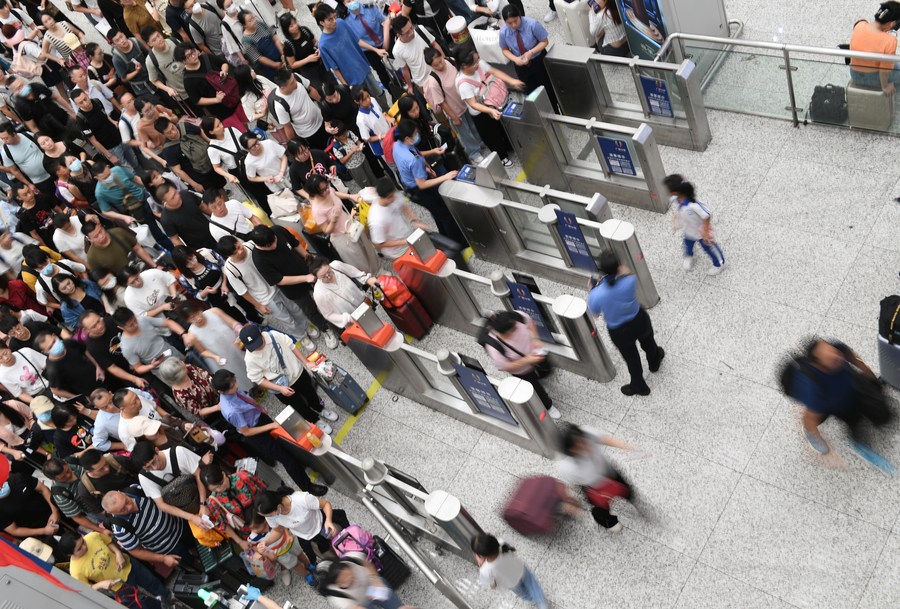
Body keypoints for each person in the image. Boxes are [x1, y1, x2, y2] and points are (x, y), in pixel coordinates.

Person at [211, 368, 329, 495]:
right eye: (231, 386)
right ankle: (308, 487)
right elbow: (246, 432)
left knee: (288, 444)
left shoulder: (233, 391)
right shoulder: (231, 410)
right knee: (287, 459)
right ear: (221, 391)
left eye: (234, 381)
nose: (236, 386)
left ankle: (303, 465)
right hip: (256, 434)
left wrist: (264, 415)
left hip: (261, 419)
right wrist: (271, 425)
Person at [786, 339, 895, 473]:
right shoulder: (814, 391)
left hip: (852, 387)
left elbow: (857, 362)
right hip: (837, 406)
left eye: (836, 353)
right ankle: (855, 441)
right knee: (853, 421)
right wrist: (818, 440)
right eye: (834, 360)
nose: (839, 358)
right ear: (820, 367)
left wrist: (874, 383)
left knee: (884, 416)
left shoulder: (839, 349)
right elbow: (809, 420)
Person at [587, 250, 663, 396]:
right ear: (618, 266)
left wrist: (592, 290)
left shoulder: (596, 294)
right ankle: (654, 362)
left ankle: (639, 386)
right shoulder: (629, 280)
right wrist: (618, 271)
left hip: (619, 330)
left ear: (602, 271)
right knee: (648, 341)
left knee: (631, 358)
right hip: (639, 319)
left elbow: (594, 315)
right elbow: (625, 272)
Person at [249, 225, 338, 347]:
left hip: (307, 269)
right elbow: (279, 280)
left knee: (327, 294)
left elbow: (295, 244)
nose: (274, 245)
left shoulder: (278, 230)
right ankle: (325, 329)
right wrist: (305, 278)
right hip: (293, 288)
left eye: (274, 240)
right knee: (310, 310)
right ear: (260, 245)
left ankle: (338, 317)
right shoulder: (258, 258)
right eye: (269, 246)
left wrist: (310, 260)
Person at [239, 324, 338, 430]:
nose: (258, 347)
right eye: (254, 346)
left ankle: (320, 409)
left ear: (261, 334)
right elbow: (258, 379)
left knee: (310, 393)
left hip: (298, 373)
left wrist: (306, 362)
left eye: (259, 343)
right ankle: (315, 420)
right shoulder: (250, 359)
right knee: (298, 406)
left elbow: (292, 346)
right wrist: (279, 389)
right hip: (282, 387)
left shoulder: (273, 335)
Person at [217, 235, 312, 338]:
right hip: (265, 297)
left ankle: (306, 326)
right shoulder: (231, 270)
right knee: (286, 319)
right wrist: (259, 306)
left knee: (295, 309)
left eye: (239, 247)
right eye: (235, 253)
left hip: (278, 285)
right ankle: (301, 336)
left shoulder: (251, 245)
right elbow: (243, 292)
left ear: (238, 241)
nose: (240, 252)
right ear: (228, 256)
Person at [392, 119, 464, 243]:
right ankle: (457, 243)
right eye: (415, 134)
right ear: (407, 138)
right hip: (418, 189)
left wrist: (428, 163)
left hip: (412, 182)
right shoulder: (411, 160)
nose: (417, 135)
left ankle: (445, 236)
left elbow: (415, 151)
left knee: (437, 211)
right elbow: (422, 184)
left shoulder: (398, 145)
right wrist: (445, 177)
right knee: (445, 214)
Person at [557, 423, 637, 532]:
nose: (584, 446)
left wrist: (624, 446)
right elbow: (573, 483)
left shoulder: (587, 432)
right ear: (570, 450)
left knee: (626, 489)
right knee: (601, 508)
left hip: (607, 472)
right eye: (578, 446)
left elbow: (604, 438)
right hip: (592, 486)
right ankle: (609, 522)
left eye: (582, 441)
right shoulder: (567, 466)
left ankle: (630, 497)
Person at [480, 311, 560, 419]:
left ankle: (540, 377)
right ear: (502, 333)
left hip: (536, 353)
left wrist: (535, 339)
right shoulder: (493, 346)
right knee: (535, 389)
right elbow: (505, 366)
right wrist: (527, 360)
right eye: (513, 330)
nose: (516, 329)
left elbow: (530, 322)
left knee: (546, 370)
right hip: (522, 371)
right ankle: (548, 406)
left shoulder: (516, 317)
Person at [456, 49, 523, 167]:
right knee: (491, 135)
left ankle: (510, 146)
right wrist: (490, 110)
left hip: (494, 102)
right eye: (474, 63)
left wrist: (512, 81)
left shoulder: (479, 64)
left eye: (478, 59)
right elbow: (473, 104)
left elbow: (494, 72)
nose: (478, 63)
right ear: (464, 66)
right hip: (481, 112)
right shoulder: (463, 84)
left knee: (502, 128)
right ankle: (502, 157)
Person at [58, 531, 170, 600]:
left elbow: (108, 542)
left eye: (83, 541)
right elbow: (86, 589)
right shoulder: (75, 570)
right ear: (70, 554)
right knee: (141, 602)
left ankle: (171, 599)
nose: (85, 547)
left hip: (129, 565)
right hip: (119, 586)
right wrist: (100, 584)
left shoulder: (92, 536)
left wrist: (118, 553)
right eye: (79, 549)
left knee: (153, 583)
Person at [255, 485, 349, 567]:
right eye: (265, 516)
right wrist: (267, 542)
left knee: (346, 544)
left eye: (269, 515)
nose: (268, 518)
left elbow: (325, 504)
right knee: (332, 558)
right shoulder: (271, 515)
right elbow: (278, 530)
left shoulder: (301, 499)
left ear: (278, 507)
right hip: (309, 539)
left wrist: (328, 520)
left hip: (323, 525)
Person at [100, 490, 196, 569]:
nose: (129, 507)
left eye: (127, 502)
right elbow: (136, 551)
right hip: (170, 548)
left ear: (122, 493)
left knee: (200, 544)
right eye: (123, 510)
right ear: (112, 513)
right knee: (192, 562)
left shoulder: (136, 490)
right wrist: (163, 558)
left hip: (181, 526)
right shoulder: (120, 529)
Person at [306, 174, 380, 274]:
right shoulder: (317, 210)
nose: (327, 190)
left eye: (327, 186)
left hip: (352, 225)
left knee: (367, 248)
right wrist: (333, 220)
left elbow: (334, 193)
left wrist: (350, 196)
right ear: (315, 193)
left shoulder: (329, 191)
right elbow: (326, 230)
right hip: (342, 237)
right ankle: (369, 277)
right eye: (322, 190)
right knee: (358, 259)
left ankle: (378, 269)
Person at [314, 4, 385, 106]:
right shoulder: (323, 45)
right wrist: (345, 86)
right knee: (365, 103)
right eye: (330, 19)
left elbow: (357, 40)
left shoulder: (341, 23)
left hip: (363, 68)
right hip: (352, 81)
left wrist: (375, 50)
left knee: (379, 94)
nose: (334, 21)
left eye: (334, 17)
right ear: (322, 22)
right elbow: (335, 68)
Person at [423, 49, 485, 163]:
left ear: (442, 56)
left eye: (440, 61)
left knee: (474, 126)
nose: (440, 65)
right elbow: (441, 102)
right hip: (455, 111)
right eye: (436, 65)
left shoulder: (450, 61)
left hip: (467, 102)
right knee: (465, 134)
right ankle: (473, 153)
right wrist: (454, 117)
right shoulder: (433, 81)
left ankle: (480, 143)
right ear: (431, 66)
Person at [130, 439, 210, 526]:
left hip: (205, 494)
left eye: (154, 461)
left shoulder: (178, 452)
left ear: (157, 450)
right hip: (186, 509)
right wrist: (191, 517)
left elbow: (198, 475)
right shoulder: (144, 477)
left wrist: (203, 504)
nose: (155, 467)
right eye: (148, 467)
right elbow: (161, 504)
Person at [179, 301, 252, 389]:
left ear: (200, 309)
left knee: (249, 362)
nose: (198, 318)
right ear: (188, 320)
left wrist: (240, 333)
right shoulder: (192, 335)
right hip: (221, 356)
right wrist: (215, 357)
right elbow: (203, 351)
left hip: (236, 345)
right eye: (192, 318)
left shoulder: (214, 312)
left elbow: (233, 323)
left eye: (197, 313)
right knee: (237, 374)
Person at [498, 5, 558, 111]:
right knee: (531, 92)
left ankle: (555, 110)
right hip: (520, 65)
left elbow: (544, 41)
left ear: (519, 16)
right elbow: (504, 49)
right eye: (509, 23)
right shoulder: (504, 32)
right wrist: (515, 59)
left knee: (548, 89)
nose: (513, 25)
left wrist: (531, 52)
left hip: (538, 61)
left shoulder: (532, 24)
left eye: (515, 21)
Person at [170, 246, 253, 322]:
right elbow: (194, 294)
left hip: (231, 286)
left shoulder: (206, 253)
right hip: (217, 300)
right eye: (187, 263)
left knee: (249, 308)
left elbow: (224, 265)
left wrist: (224, 283)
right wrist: (205, 292)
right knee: (235, 319)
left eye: (191, 258)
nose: (192, 263)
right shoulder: (184, 278)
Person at [666, 176, 725, 275]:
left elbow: (707, 215)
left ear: (676, 192)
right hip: (688, 230)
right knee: (687, 244)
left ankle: (719, 264)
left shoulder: (694, 205)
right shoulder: (676, 199)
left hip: (702, 232)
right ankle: (689, 255)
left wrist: (705, 231)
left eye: (668, 190)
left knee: (710, 248)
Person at [471, 533, 548, 609]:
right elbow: (513, 550)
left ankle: (533, 599)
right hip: (521, 569)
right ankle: (542, 602)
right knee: (533, 585)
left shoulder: (485, 570)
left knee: (524, 594)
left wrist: (482, 565)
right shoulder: (501, 542)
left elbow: (493, 586)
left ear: (481, 556)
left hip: (512, 583)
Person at [79, 312, 150, 391]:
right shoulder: (93, 347)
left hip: (143, 356)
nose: (99, 326)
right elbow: (112, 368)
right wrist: (134, 379)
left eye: (98, 321)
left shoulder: (111, 321)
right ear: (86, 330)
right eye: (94, 326)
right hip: (129, 372)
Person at [317, 554, 410, 609]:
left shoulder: (349, 559)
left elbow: (368, 564)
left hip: (374, 587)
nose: (353, 579)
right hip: (362, 604)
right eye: (346, 580)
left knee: (396, 606)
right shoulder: (336, 597)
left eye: (351, 574)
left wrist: (374, 579)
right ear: (337, 584)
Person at [367, 177, 427, 260]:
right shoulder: (377, 219)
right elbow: (379, 243)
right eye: (390, 197)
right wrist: (405, 242)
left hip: (408, 238)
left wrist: (415, 221)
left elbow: (403, 206)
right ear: (382, 197)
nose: (394, 198)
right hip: (398, 252)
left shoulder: (393, 194)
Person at [309, 256, 377, 329]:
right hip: (352, 320)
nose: (328, 276)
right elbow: (328, 315)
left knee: (377, 324)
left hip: (364, 304)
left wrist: (367, 279)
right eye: (323, 277)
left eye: (329, 271)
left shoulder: (336, 266)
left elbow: (354, 273)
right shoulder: (319, 293)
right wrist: (346, 318)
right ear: (317, 277)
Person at [42, 457, 106, 533]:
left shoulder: (74, 462)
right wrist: (101, 530)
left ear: (66, 463)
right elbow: (77, 517)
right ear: (53, 479)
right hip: (97, 510)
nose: (69, 475)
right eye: (63, 477)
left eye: (68, 470)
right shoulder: (59, 494)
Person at [270, 68, 327, 149]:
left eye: (294, 79)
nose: (295, 82)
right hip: (309, 134)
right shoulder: (280, 105)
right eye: (292, 83)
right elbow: (287, 127)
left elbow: (310, 89)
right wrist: (296, 144)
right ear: (282, 87)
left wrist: (324, 104)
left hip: (322, 119)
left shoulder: (296, 77)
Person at [849, 2, 900, 93]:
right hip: (874, 79)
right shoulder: (890, 40)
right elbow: (884, 70)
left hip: (855, 75)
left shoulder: (859, 25)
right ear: (892, 23)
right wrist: (885, 87)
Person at [391, 15, 443, 103]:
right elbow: (405, 69)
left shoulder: (420, 30)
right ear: (398, 35)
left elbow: (434, 44)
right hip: (423, 82)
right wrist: (410, 86)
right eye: (407, 32)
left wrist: (444, 60)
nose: (411, 32)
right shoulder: (397, 51)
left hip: (438, 71)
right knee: (437, 105)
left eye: (411, 27)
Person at [343, 0, 392, 88]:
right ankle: (393, 91)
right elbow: (357, 40)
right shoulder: (346, 21)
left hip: (384, 40)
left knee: (399, 62)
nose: (352, 2)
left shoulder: (370, 8)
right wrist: (376, 50)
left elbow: (385, 22)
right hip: (369, 50)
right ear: (344, 4)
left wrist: (386, 42)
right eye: (348, 1)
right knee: (382, 73)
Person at [82, 218, 158, 275]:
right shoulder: (92, 257)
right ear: (90, 239)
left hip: (145, 269)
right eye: (96, 236)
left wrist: (155, 266)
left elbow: (138, 249)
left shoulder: (118, 232)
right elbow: (104, 277)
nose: (101, 236)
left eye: (100, 231)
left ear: (101, 226)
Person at [0, 470, 59, 541]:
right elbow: (14, 530)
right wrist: (44, 531)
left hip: (52, 509)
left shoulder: (18, 478)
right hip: (38, 530)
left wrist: (55, 511)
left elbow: (43, 488)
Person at [156, 181, 217, 249]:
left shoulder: (186, 194)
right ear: (164, 202)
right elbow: (175, 240)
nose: (177, 196)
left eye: (175, 192)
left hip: (213, 231)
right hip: (200, 246)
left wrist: (218, 218)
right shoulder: (166, 219)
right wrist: (189, 252)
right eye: (172, 198)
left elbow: (203, 207)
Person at [0, 123, 55, 196]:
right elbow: (14, 171)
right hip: (39, 181)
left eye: (6, 138)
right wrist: (28, 184)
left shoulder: (27, 135)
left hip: (53, 169)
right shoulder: (5, 152)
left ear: (14, 134)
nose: (4, 141)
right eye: (2, 139)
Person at [0, 340, 49, 404]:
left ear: (8, 348)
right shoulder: (3, 375)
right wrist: (36, 402)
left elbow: (47, 365)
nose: (6, 358)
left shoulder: (26, 352)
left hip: (49, 382)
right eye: (0, 358)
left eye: (5, 353)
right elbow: (20, 394)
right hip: (37, 395)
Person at [110, 29, 156, 97]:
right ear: (114, 44)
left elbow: (149, 54)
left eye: (121, 37)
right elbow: (124, 79)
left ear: (124, 34)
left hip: (153, 76)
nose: (122, 41)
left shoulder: (135, 41)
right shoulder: (117, 59)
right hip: (142, 88)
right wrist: (136, 71)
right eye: (117, 40)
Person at [238, 10, 283, 79]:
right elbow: (259, 58)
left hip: (279, 55)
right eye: (250, 21)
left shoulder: (261, 24)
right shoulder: (246, 41)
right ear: (244, 25)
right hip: (270, 67)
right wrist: (275, 65)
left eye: (253, 18)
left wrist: (283, 54)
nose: (254, 21)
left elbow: (275, 38)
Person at [330, 120, 376, 188]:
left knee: (371, 176)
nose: (346, 135)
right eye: (343, 135)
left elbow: (358, 141)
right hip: (354, 167)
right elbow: (342, 161)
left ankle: (376, 188)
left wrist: (360, 146)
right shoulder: (336, 147)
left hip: (362, 159)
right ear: (336, 137)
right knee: (364, 182)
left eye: (346, 133)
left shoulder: (349, 133)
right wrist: (352, 151)